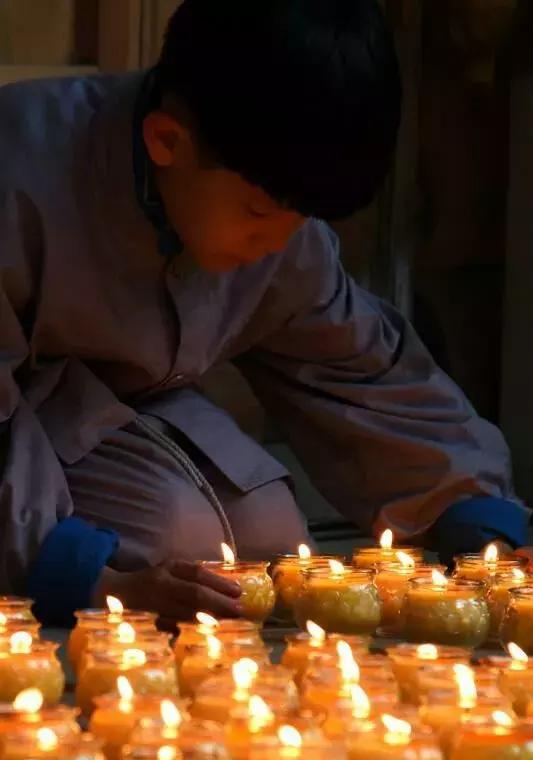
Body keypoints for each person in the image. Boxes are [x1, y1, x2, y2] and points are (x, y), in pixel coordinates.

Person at [0, 0, 528, 627]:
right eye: (258, 215)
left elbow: (359, 370)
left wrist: (480, 520)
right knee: (174, 540)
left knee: (267, 546)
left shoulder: (269, 203)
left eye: (299, 219)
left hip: (117, 412)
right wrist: (90, 575)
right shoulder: (20, 175)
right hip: (20, 413)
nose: (279, 243)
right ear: (166, 141)